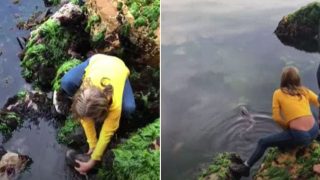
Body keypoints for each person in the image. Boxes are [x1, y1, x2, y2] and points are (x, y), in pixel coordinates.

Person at [230, 66, 319, 177]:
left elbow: (276, 118)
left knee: (263, 142)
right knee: (284, 141)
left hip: (301, 136)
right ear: (297, 79)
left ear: (283, 80)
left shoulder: (278, 93)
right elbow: (318, 102)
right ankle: (291, 144)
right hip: (315, 130)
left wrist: (288, 127)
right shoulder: (305, 91)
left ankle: (246, 167)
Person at [56, 54, 136, 174]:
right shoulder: (86, 88)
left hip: (119, 68)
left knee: (129, 108)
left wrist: (93, 160)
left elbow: (107, 132)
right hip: (97, 60)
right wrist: (92, 145)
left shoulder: (115, 106)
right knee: (66, 83)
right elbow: (85, 119)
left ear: (101, 112)